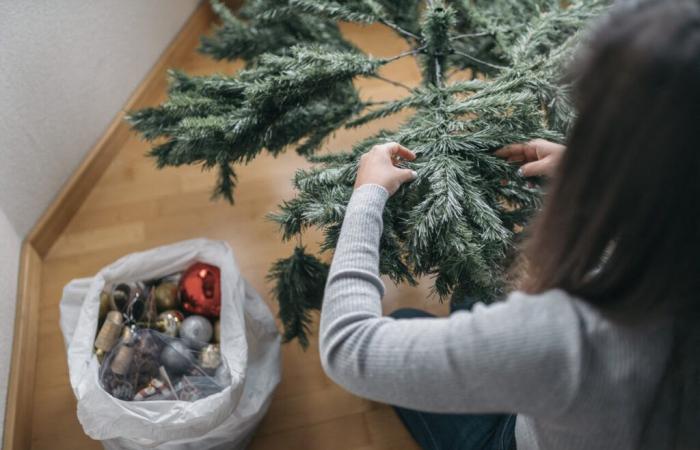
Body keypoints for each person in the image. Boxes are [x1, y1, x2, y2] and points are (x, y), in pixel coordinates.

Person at [318, 1, 700, 449]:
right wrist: (596, 176)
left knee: (406, 315)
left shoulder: (567, 338)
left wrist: (367, 197)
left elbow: (349, 348)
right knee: (484, 272)